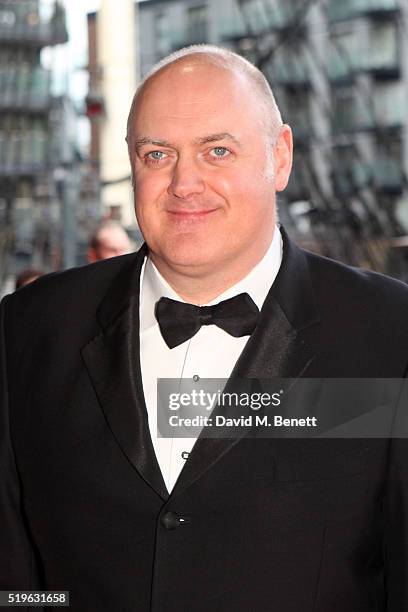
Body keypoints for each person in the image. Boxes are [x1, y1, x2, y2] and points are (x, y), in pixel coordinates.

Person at [1, 44, 408, 612]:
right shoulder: (28, 329)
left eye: (217, 150)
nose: (184, 183)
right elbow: (15, 579)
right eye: (157, 153)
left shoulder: (390, 335)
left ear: (280, 157)